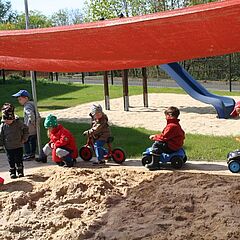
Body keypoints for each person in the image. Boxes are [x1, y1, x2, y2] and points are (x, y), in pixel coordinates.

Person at [146, 106, 185, 170]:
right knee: (160, 142)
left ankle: (155, 164)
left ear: (169, 115)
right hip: (176, 144)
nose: (165, 118)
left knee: (157, 145)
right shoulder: (176, 124)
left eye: (166, 116)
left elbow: (164, 137)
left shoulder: (172, 126)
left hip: (172, 146)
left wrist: (155, 137)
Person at [0, 103, 29, 178]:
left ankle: (20, 171)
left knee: (18, 159)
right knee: (11, 159)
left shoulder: (18, 123)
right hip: (8, 146)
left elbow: (26, 129)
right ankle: (12, 171)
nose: (6, 122)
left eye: (8, 120)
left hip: (18, 144)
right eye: (5, 120)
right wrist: (1, 144)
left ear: (12, 118)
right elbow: (1, 135)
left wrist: (24, 138)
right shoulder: (3, 125)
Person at [12, 90, 40, 161]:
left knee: (26, 140)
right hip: (33, 127)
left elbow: (31, 115)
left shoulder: (27, 106)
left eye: (20, 99)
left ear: (26, 98)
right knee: (32, 141)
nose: (19, 101)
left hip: (30, 128)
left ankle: (29, 154)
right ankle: (32, 154)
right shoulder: (32, 104)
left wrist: (33, 123)